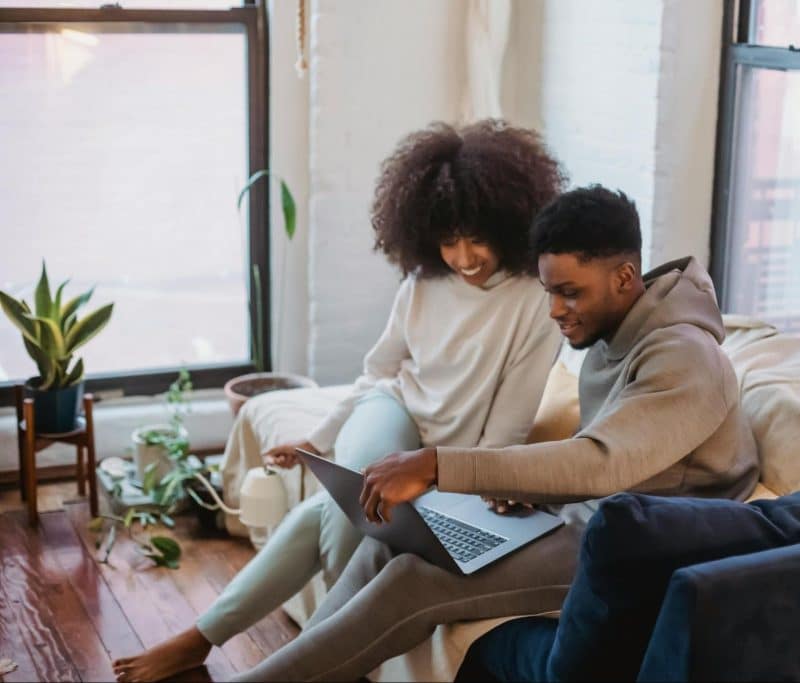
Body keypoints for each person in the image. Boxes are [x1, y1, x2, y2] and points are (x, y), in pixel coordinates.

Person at [229, 185, 761, 682]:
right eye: (550, 291)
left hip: (656, 540)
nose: (555, 311)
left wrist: (439, 464)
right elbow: (601, 464)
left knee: (413, 582)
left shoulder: (686, 359)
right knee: (387, 545)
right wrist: (524, 489)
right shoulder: (613, 329)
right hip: (604, 515)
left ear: (625, 278)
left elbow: (602, 462)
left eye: (569, 293)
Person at [111, 119, 566, 683]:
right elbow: (377, 374)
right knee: (354, 487)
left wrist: (438, 475)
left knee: (336, 509)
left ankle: (202, 639)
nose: (464, 257)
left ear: (510, 222)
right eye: (449, 240)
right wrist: (321, 438)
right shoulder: (421, 286)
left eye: (477, 237)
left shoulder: (533, 302)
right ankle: (331, 663)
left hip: (450, 456)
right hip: (395, 410)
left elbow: (504, 435)